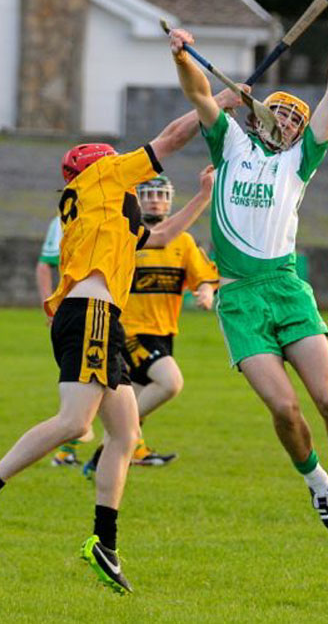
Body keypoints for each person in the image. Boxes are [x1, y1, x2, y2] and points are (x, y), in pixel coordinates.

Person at [0, 94, 242, 595]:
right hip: (88, 313)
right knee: (75, 423)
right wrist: (218, 101)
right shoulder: (100, 179)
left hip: (100, 319)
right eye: (116, 162)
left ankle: (102, 543)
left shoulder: (104, 214)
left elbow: (165, 234)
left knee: (125, 435)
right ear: (100, 170)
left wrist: (200, 195)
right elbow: (172, 138)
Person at [167, 0, 328, 540]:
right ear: (260, 116)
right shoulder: (231, 144)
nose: (290, 123)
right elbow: (200, 96)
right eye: (284, 114)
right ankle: (319, 485)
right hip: (239, 298)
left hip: (287, 289)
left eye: (297, 119)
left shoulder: (299, 162)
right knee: (287, 410)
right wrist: (180, 55)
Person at [83, 173, 219, 474]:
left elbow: (205, 276)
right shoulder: (128, 238)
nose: (155, 201)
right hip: (130, 333)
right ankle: (110, 442)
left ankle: (101, 459)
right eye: (149, 195)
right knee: (170, 383)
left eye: (161, 196)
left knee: (134, 401)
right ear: (138, 199)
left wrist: (206, 292)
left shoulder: (182, 241)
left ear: (169, 201)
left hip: (164, 333)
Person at [36, 216, 95, 467]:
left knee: (107, 393)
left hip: (109, 313)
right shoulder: (64, 217)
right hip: (81, 315)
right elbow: (44, 264)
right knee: (81, 407)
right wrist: (49, 304)